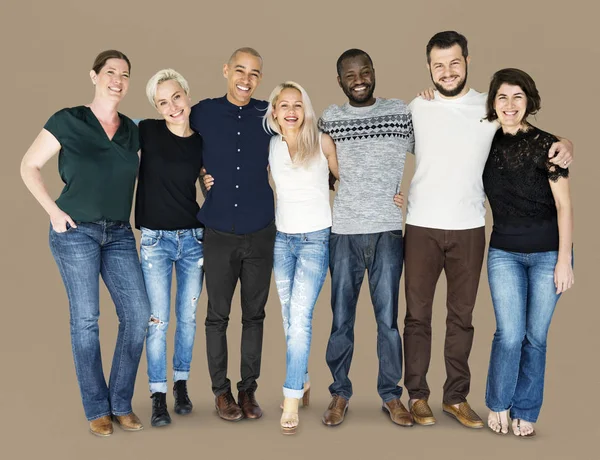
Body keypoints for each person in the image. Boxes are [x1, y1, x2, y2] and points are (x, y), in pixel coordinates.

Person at [403, 31, 574, 429]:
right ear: (429, 68)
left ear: (467, 61)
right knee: (417, 316)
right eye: (438, 65)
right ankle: (417, 395)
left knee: (462, 317)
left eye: (455, 62)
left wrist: (568, 143)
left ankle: (456, 398)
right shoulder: (417, 107)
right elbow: (391, 148)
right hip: (421, 225)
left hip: (470, 229)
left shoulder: (488, 108)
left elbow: (532, 133)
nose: (447, 71)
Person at [20, 50, 150, 436]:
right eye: (110, 72)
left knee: (138, 316)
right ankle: (97, 407)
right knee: (87, 320)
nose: (118, 79)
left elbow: (162, 165)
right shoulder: (68, 119)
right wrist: (52, 211)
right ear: (94, 76)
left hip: (120, 234)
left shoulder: (133, 129)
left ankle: (121, 402)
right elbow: (28, 165)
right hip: (74, 231)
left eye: (125, 74)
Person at [318, 49, 415, 427]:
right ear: (339, 80)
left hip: (388, 231)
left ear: (374, 73)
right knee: (341, 319)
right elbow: (309, 158)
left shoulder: (401, 113)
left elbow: (438, 155)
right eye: (350, 74)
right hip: (343, 232)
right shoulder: (330, 118)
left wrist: (414, 194)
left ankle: (391, 396)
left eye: (365, 71)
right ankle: (339, 393)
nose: (359, 79)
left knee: (387, 321)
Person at [482, 68, 574, 437]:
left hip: (548, 254)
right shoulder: (482, 142)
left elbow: (565, 206)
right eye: (502, 97)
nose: (509, 105)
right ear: (493, 102)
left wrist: (564, 260)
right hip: (503, 251)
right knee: (509, 333)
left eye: (517, 97)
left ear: (528, 101)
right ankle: (498, 403)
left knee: (535, 336)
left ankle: (526, 408)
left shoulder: (548, 145)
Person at [189, 47, 275, 422]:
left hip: (260, 230)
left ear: (260, 78)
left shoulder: (268, 114)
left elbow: (301, 141)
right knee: (217, 317)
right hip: (219, 231)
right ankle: (221, 393)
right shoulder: (202, 112)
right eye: (239, 70)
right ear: (225, 70)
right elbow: (179, 145)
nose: (246, 79)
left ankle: (248, 390)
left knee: (254, 315)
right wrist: (199, 175)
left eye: (254, 73)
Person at [135, 69, 204, 427]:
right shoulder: (145, 130)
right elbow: (108, 132)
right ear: (156, 108)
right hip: (155, 242)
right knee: (158, 321)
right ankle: (158, 394)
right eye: (163, 102)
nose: (171, 106)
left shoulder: (201, 141)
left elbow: (212, 186)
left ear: (187, 95)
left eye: (176, 97)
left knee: (188, 319)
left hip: (193, 240)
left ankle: (181, 384)